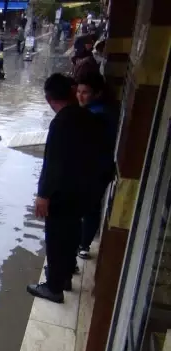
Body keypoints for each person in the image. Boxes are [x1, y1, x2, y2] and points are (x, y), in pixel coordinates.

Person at [27, 73, 107, 303]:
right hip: (84, 190)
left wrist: (43, 195)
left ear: (49, 100)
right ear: (72, 92)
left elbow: (53, 163)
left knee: (56, 238)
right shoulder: (87, 117)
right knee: (71, 234)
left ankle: (53, 287)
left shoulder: (61, 122)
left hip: (64, 193)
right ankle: (64, 277)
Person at [75, 73, 118, 259]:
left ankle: (81, 245)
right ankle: (82, 245)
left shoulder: (96, 115)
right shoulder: (105, 111)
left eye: (85, 92)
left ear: (97, 93)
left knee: (86, 209)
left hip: (92, 169)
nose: (80, 96)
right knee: (91, 208)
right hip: (100, 168)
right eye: (78, 91)